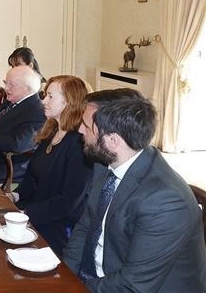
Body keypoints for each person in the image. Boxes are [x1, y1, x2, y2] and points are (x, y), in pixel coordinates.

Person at [63, 89, 206, 292]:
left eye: (86, 126)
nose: (79, 130)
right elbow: (85, 226)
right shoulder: (106, 162)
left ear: (113, 140)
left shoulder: (166, 202)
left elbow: (133, 286)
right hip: (102, 276)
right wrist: (63, 275)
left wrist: (77, 287)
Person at [15, 75, 93, 256]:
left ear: (69, 103)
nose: (43, 101)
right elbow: (32, 177)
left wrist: (26, 212)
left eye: (50, 96)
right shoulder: (52, 131)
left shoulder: (79, 145)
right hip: (35, 212)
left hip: (57, 226)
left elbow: (67, 202)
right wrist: (15, 194)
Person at [0, 65, 46, 184]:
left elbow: (19, 144)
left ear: (27, 88)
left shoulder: (38, 112)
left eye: (11, 85)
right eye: (6, 83)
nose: (6, 88)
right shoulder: (12, 100)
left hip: (1, 167)